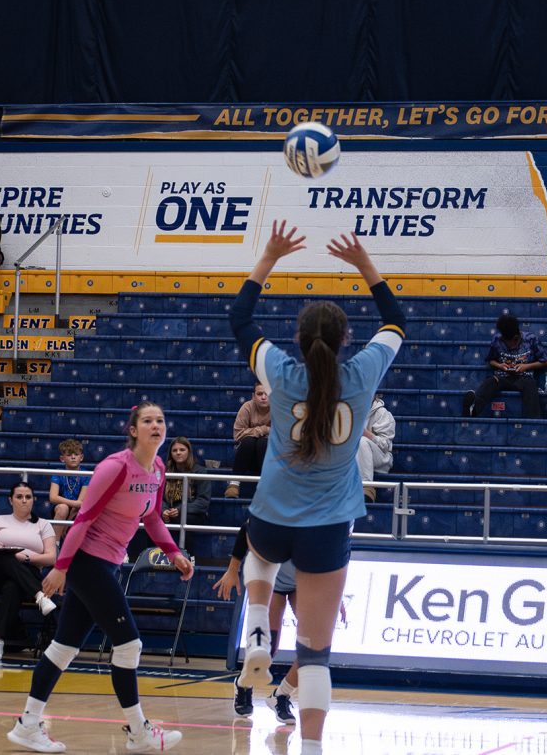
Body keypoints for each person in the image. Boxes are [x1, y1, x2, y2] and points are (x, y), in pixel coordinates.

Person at [228, 221, 405, 755]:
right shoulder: (363, 374)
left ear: (300, 341)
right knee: (317, 653)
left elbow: (239, 319)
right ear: (346, 339)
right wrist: (364, 264)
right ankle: (311, 749)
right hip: (327, 527)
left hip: (275, 514)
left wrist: (270, 256)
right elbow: (396, 320)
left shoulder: (280, 372)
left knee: (258, 555)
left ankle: (257, 624)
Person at [6, 402, 192, 754]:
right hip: (87, 561)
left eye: (161, 421)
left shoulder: (157, 468)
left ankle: (28, 724)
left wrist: (174, 553)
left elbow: (151, 518)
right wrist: (61, 567)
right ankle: (139, 732)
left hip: (109, 564)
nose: (156, 426)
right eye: (148, 421)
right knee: (129, 644)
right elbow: (83, 520)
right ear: (134, 430)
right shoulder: (115, 467)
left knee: (63, 648)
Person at [214, 518, 299, 724]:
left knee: (314, 649)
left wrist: (335, 597)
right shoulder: (289, 498)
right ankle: (244, 684)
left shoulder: (335, 512)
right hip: (273, 578)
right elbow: (247, 528)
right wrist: (232, 569)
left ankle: (281, 696)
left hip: (304, 579)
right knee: (267, 649)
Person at [0, 482, 58, 662]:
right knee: (5, 555)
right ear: (11, 500)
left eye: (28, 497)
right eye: (19, 497)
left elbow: (51, 558)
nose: (24, 501)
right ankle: (41, 596)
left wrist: (25, 557)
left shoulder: (43, 525)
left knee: (12, 587)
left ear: (33, 500)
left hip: (25, 575)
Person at [462, 313, 547, 418]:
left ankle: (534, 420)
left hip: (524, 377)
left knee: (530, 385)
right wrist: (500, 365)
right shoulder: (497, 340)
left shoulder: (531, 339)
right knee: (490, 381)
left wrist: (527, 366)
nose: (509, 346)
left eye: (510, 342)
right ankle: (473, 410)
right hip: (503, 377)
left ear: (516, 337)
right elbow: (490, 361)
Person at [224, 383, 271, 498]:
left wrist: (254, 432)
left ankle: (266, 486)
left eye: (267, 394)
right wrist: (265, 429)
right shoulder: (247, 407)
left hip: (270, 457)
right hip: (247, 458)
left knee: (262, 443)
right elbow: (238, 434)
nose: (264, 397)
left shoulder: (279, 409)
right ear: (253, 396)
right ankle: (234, 483)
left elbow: (282, 435)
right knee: (248, 441)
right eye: (260, 394)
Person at [161, 436, 212, 527]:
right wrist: (164, 510)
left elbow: (203, 502)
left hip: (192, 512)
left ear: (188, 452)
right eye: (174, 450)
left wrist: (180, 509)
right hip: (169, 511)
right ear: (171, 454)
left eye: (182, 450)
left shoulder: (200, 471)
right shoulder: (166, 471)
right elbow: (159, 497)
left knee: (181, 518)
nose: (178, 453)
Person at [48, 439, 91, 539]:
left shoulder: (86, 475)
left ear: (81, 457)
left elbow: (80, 503)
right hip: (60, 509)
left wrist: (65, 526)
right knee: (63, 508)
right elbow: (53, 497)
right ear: (62, 459)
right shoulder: (58, 473)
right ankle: (55, 545)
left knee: (82, 509)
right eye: (69, 455)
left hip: (78, 510)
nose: (73, 457)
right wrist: (73, 503)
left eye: (76, 454)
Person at [357, 396, 394, 502]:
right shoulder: (348, 411)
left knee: (362, 441)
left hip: (380, 458)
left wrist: (367, 434)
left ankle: (367, 488)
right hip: (352, 457)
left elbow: (386, 446)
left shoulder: (382, 413)